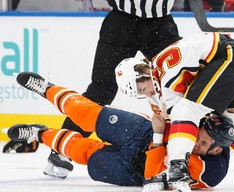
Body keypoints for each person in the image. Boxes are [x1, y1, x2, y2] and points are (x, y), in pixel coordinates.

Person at [3, 0, 182, 179]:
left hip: (160, 25)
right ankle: (61, 149)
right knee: (101, 90)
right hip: (121, 22)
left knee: (177, 84)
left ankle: (188, 143)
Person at [8, 71, 234, 192]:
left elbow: (152, 176)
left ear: (217, 151)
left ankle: (40, 134)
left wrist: (159, 134)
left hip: (136, 170)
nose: (194, 143)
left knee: (83, 151)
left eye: (203, 146)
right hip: (142, 133)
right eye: (198, 136)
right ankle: (48, 89)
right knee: (89, 114)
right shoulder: (215, 127)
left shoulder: (208, 172)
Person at [114, 32, 234, 186]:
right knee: (231, 123)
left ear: (143, 72)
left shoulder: (162, 69)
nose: (148, 93)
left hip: (231, 59)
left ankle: (177, 169)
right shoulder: (160, 78)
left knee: (185, 110)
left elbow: (184, 113)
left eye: (142, 89)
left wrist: (170, 145)